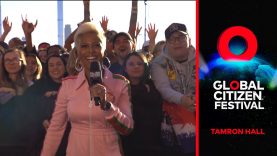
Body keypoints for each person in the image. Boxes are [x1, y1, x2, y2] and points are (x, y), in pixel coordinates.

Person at [41, 22, 133, 156]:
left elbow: (127, 128)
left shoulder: (120, 83)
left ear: (104, 50)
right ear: (77, 52)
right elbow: (55, 128)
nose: (91, 51)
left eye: (96, 45)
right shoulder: (68, 85)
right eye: (84, 46)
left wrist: (108, 106)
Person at [151, 23, 196, 156]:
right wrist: (182, 99)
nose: (177, 42)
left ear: (189, 39)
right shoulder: (158, 62)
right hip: (172, 123)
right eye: (172, 39)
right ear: (167, 43)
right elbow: (163, 88)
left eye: (181, 37)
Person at [121, 52, 164, 156]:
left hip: (154, 142)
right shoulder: (120, 88)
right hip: (130, 143)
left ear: (145, 66)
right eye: (131, 64)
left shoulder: (153, 85)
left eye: (139, 64)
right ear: (125, 68)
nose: (136, 66)